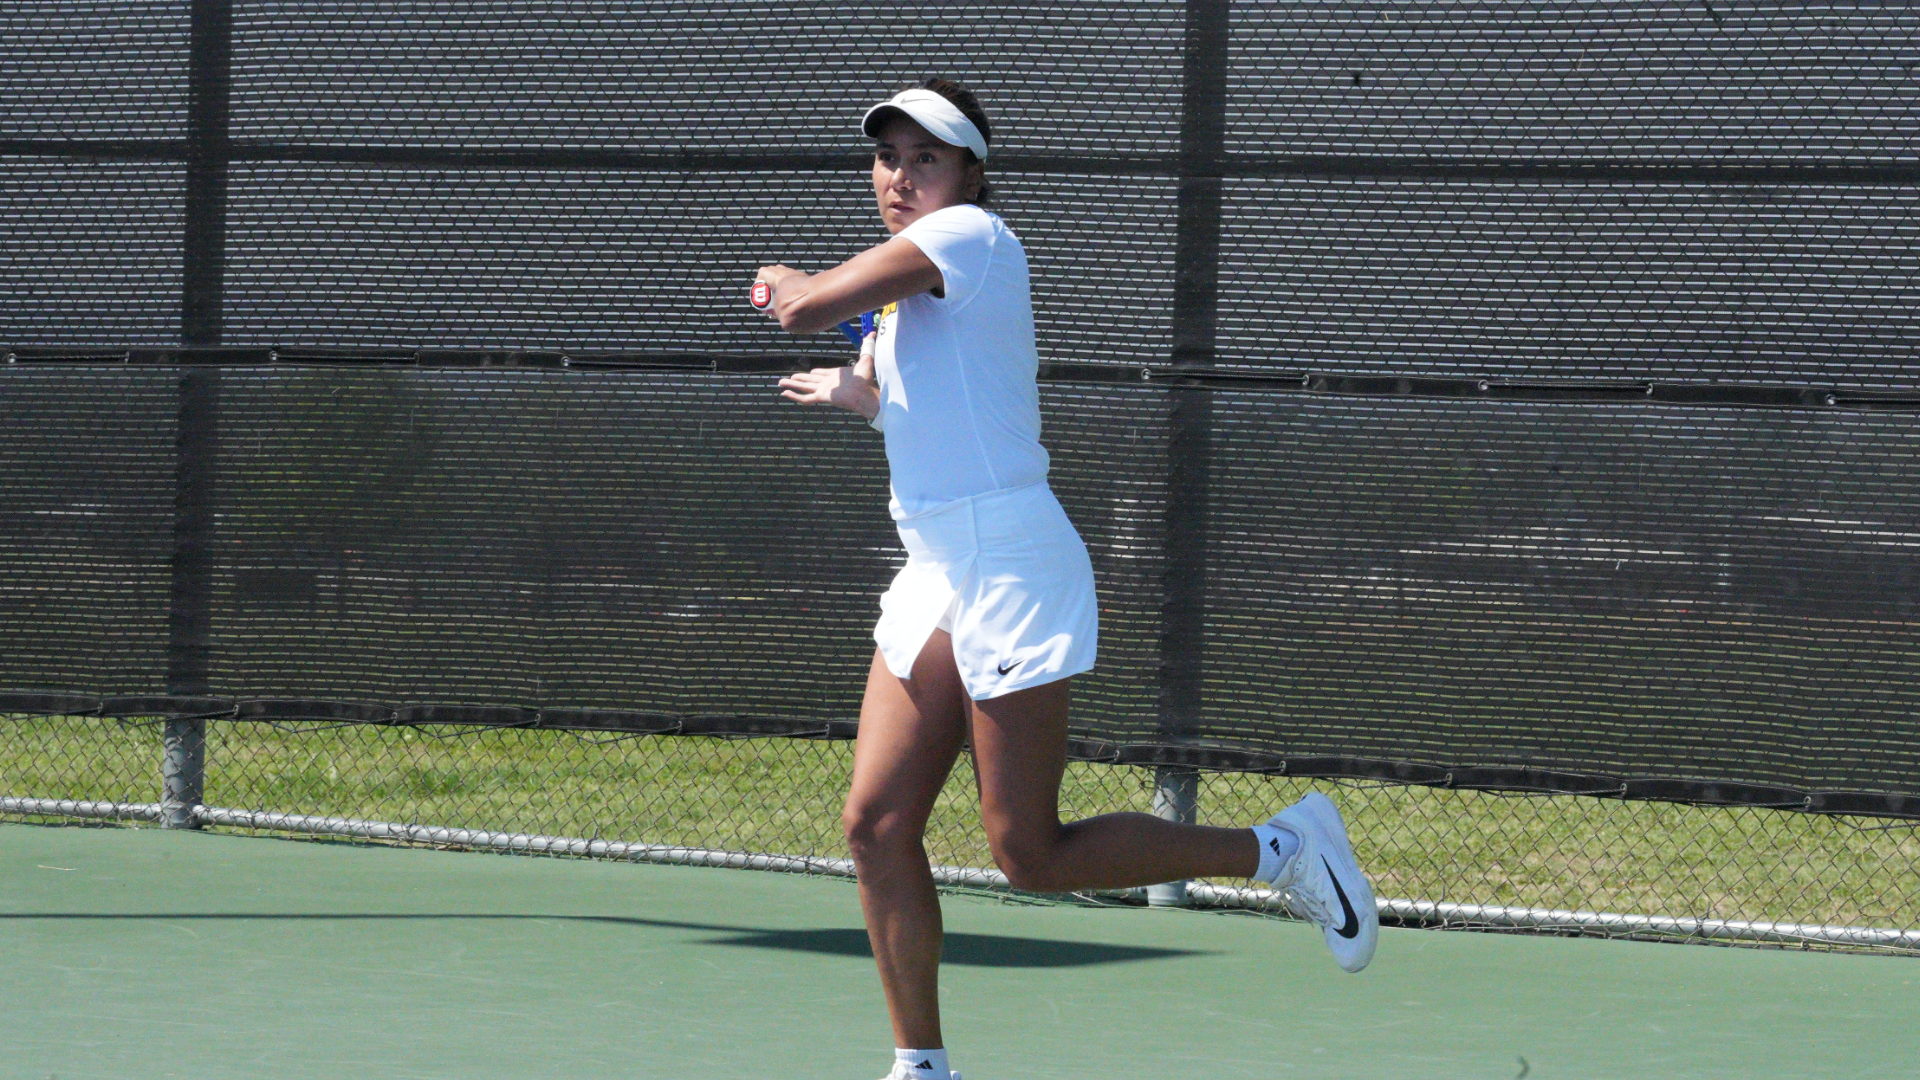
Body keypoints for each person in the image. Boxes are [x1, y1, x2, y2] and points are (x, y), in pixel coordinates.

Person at [756, 78, 1378, 1080]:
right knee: (875, 824)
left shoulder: (969, 238)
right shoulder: (911, 291)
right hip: (936, 567)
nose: (901, 178)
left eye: (926, 159)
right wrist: (856, 395)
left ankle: (1283, 849)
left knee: (1029, 853)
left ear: (971, 175)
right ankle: (921, 1067)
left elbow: (804, 307)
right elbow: (937, 408)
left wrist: (786, 282)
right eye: (888, 158)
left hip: (1010, 560)